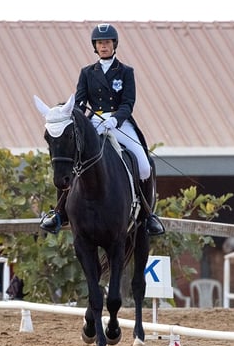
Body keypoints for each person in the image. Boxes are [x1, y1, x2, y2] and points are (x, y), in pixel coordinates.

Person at [40, 23, 165, 236]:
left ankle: (147, 216)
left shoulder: (126, 72)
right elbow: (80, 102)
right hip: (94, 123)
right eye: (100, 43)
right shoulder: (87, 72)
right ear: (95, 47)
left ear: (114, 45)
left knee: (144, 165)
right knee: (71, 160)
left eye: (107, 42)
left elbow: (128, 102)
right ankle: (59, 212)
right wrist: (80, 118)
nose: (103, 46)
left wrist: (115, 120)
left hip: (120, 122)